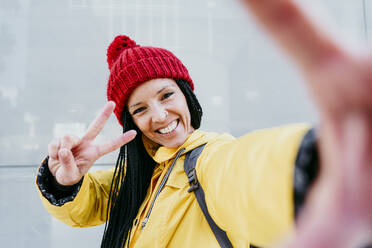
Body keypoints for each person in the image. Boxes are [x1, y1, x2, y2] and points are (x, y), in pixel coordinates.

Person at [36, 1, 372, 248]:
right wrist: (65, 182)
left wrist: (321, 161)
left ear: (186, 95)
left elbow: (246, 176)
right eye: (140, 109)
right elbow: (87, 204)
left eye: (166, 95)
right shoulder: (142, 174)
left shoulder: (208, 161)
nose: (159, 116)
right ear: (132, 121)